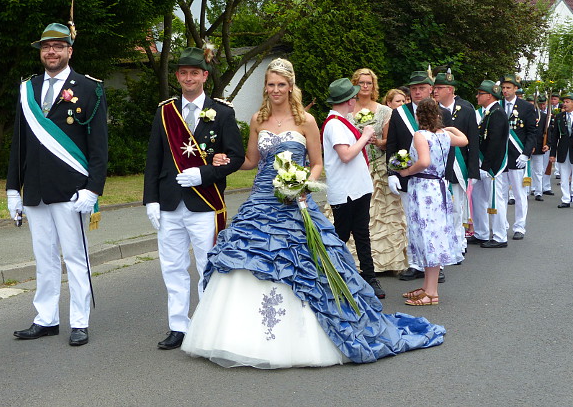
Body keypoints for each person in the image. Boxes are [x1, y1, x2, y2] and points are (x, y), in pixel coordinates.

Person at [182, 59, 445, 368]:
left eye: (281, 84)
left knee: (304, 263)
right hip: (262, 199)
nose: (276, 89)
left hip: (295, 200)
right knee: (246, 257)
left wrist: (304, 183)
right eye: (271, 84)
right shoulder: (257, 118)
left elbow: (317, 161)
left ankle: (302, 336)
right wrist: (224, 160)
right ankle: (235, 337)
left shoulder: (305, 119)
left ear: (291, 86)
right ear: (265, 87)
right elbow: (251, 160)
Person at [7, 22, 108, 346]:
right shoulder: (28, 88)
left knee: (76, 257)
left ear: (69, 51)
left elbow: (99, 147)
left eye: (58, 46)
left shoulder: (89, 88)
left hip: (71, 191)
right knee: (45, 258)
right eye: (45, 47)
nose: (51, 52)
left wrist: (92, 189)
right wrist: (13, 188)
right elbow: (19, 143)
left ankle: (79, 321)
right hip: (35, 191)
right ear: (41, 52)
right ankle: (46, 318)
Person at [143, 47, 245, 350]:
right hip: (170, 201)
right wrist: (151, 199)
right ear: (177, 76)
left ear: (204, 75)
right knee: (172, 266)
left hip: (205, 201)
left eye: (194, 73)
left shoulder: (223, 112)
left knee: (207, 265)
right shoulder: (165, 112)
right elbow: (153, 159)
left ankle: (208, 323)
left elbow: (236, 157)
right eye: (183, 73)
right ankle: (178, 325)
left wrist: (204, 175)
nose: (189, 78)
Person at [397, 99, 467, 306]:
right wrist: (450, 127)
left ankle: (432, 292)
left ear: (418, 116)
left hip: (425, 188)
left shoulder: (421, 135)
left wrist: (406, 171)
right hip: (439, 187)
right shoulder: (444, 135)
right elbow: (463, 140)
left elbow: (424, 161)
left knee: (429, 237)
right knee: (430, 235)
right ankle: (428, 287)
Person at [322, 77, 385, 298]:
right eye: (354, 97)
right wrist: (365, 135)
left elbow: (351, 150)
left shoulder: (341, 121)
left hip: (356, 187)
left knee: (360, 233)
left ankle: (368, 276)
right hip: (346, 190)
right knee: (342, 235)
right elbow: (346, 155)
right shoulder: (335, 124)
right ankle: (337, 277)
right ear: (349, 100)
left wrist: (362, 139)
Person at [347, 69, 408, 273]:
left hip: (378, 165)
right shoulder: (347, 110)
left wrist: (377, 141)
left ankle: (389, 262)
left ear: (374, 86)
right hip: (354, 166)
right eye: (362, 83)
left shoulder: (384, 111)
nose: (365, 86)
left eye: (369, 83)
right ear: (355, 84)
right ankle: (354, 260)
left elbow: (389, 142)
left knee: (384, 213)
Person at [432, 71, 479, 255]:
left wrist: (473, 171)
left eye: (439, 88)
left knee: (458, 206)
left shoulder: (466, 110)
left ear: (450, 89)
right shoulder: (431, 110)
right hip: (439, 165)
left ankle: (459, 244)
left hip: (459, 165)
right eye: (434, 88)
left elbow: (473, 142)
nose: (435, 91)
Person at [470, 80, 509, 248]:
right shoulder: (488, 112)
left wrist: (486, 167)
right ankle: (481, 233)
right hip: (482, 163)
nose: (477, 96)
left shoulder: (497, 113)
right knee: (478, 198)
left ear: (489, 95)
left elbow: (495, 142)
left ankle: (500, 236)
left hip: (492, 166)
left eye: (480, 93)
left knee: (495, 200)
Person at [498, 74, 537, 240]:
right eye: (503, 88)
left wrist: (526, 153)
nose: (505, 91)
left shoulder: (526, 107)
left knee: (519, 194)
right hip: (500, 157)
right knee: (500, 194)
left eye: (509, 88)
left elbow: (531, 133)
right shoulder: (497, 106)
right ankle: (502, 224)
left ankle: (519, 226)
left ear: (515, 89)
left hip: (517, 156)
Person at [531, 94, 551, 201]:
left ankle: (538, 191)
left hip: (538, 146)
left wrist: (547, 143)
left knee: (538, 170)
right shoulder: (525, 114)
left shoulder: (543, 116)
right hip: (526, 147)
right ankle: (526, 190)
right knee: (526, 171)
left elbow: (547, 131)